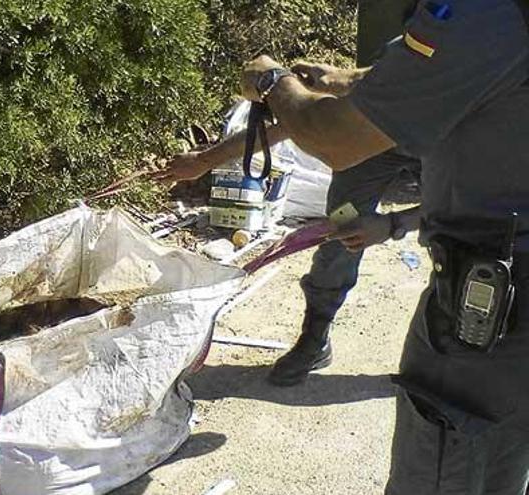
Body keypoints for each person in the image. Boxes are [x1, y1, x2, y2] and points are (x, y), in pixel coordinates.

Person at [237, 0, 529, 492]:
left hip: (487, 321)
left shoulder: (485, 11)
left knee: (447, 468)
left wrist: (271, 83)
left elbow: (336, 138)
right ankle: (316, 333)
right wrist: (347, 79)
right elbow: (468, 72)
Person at [153, 0, 423, 386]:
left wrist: (394, 223)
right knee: (342, 226)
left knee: (464, 245)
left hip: (450, 158)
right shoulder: (417, 51)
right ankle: (316, 333)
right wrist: (204, 160)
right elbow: (288, 127)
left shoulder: (488, 99)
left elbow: (478, 206)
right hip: (376, 146)